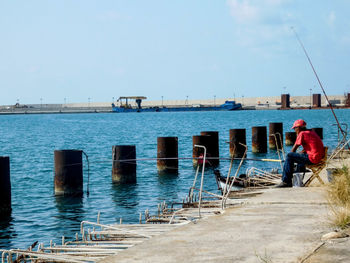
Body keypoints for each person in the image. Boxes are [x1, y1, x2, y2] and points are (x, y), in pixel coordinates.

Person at [277, 119, 324, 187]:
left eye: (295, 128)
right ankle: (298, 174)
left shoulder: (302, 133)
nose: (294, 130)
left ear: (298, 128)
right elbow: (310, 147)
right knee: (297, 155)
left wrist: (287, 160)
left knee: (289, 156)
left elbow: (293, 150)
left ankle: (286, 182)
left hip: (313, 159)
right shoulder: (311, 132)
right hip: (319, 157)